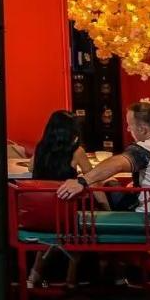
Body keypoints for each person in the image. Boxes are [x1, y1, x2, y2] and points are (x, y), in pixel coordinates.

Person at [29, 110, 95, 287]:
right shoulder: (77, 151)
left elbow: (30, 168)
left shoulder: (40, 148)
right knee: (82, 229)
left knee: (50, 235)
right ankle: (71, 279)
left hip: (41, 213)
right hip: (66, 212)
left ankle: (34, 275)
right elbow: (92, 176)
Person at [57, 101, 150, 211]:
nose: (128, 129)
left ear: (142, 129)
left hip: (145, 214)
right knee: (111, 182)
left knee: (107, 185)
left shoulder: (146, 148)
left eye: (130, 125)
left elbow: (118, 164)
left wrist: (81, 181)